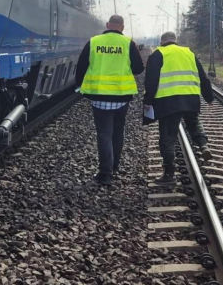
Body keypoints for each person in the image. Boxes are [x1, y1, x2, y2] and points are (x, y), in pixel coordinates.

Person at [75, 14, 145, 186]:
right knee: (118, 132)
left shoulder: (93, 42)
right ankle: (114, 167)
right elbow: (138, 69)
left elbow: (81, 67)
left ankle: (105, 174)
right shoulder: (128, 43)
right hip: (122, 97)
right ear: (122, 27)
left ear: (107, 25)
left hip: (99, 97)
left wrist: (80, 88)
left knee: (104, 134)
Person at [143, 31, 213, 183]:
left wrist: (148, 101)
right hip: (190, 99)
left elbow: (151, 82)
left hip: (168, 102)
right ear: (176, 41)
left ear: (162, 42)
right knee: (194, 123)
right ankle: (203, 145)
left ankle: (169, 173)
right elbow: (203, 77)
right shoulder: (189, 53)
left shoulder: (158, 54)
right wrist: (209, 97)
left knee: (168, 137)